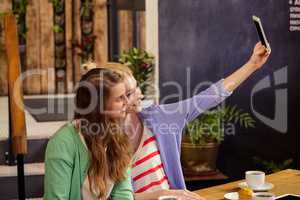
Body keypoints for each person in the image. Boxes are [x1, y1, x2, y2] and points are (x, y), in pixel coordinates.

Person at [106, 42, 270, 200]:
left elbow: (210, 96)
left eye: (137, 88)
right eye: (128, 94)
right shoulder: (98, 141)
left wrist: (252, 64)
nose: (139, 95)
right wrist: (159, 195)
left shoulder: (159, 117)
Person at [44, 68, 134, 200]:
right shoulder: (63, 143)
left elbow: (123, 194)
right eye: (120, 98)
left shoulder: (118, 137)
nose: (127, 102)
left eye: (126, 95)